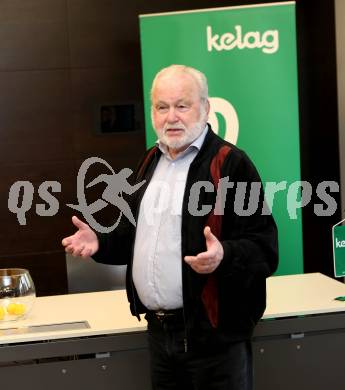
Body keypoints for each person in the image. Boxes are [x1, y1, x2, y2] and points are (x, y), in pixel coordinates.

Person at [62, 64, 278, 390]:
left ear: (205, 108)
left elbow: (265, 249)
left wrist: (224, 255)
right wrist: (101, 242)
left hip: (215, 341)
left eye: (182, 105)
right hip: (160, 337)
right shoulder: (151, 161)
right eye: (162, 107)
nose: (171, 117)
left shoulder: (231, 163)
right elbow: (133, 237)